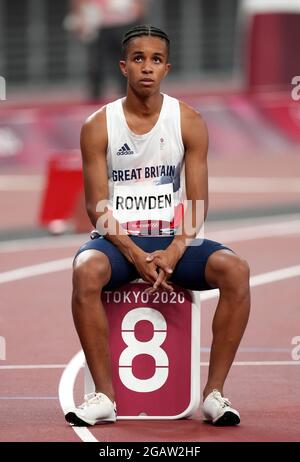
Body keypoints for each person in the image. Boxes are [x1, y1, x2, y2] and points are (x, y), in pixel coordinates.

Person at [65, 25, 251, 427]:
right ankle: (103, 396)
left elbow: (197, 202)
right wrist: (133, 251)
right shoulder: (98, 125)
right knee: (85, 272)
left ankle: (214, 395)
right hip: (117, 241)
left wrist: (175, 250)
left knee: (236, 270)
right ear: (123, 67)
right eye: (137, 59)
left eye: (155, 60)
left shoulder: (188, 121)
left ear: (167, 67)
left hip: (173, 239)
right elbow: (96, 206)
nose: (146, 67)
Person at [65, 0, 148, 100]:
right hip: (99, 23)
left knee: (128, 59)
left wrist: (140, 7)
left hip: (124, 20)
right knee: (97, 62)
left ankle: (130, 92)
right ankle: (96, 94)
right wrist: (78, 15)